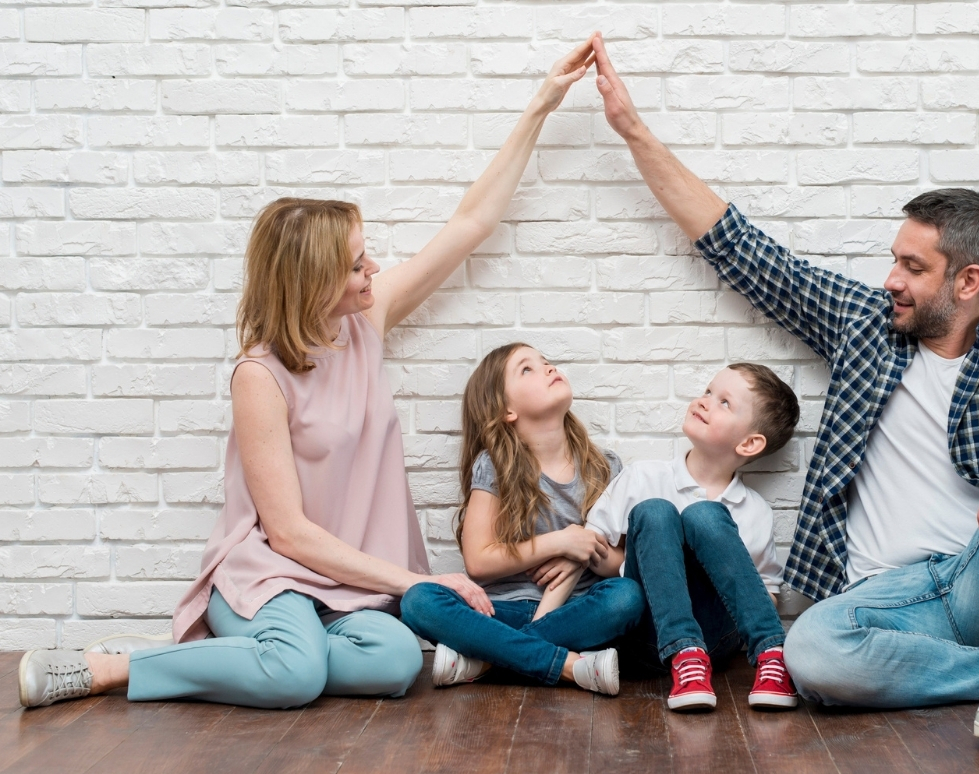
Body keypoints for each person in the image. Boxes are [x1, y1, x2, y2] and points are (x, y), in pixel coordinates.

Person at [590, 34, 979, 747]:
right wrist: (633, 131)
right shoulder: (865, 325)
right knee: (810, 655)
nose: (891, 279)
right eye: (894, 260)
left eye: (912, 267)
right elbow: (743, 249)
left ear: (967, 282)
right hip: (882, 602)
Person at [16, 38, 599, 710]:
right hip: (275, 576)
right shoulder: (259, 376)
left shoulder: (366, 322)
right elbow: (287, 532)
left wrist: (540, 107)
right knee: (296, 676)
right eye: (356, 264)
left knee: (393, 662)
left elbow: (470, 222)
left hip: (353, 582)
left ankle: (272, 658)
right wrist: (413, 583)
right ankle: (121, 667)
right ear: (312, 280)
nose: (373, 270)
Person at [399, 343, 645, 696]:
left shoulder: (606, 467)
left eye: (546, 362)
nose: (548, 368)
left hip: (576, 613)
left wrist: (589, 548)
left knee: (626, 596)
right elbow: (479, 562)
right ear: (506, 410)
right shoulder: (494, 466)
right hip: (503, 611)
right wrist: (560, 540)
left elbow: (622, 565)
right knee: (418, 599)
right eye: (527, 369)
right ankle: (569, 666)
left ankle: (487, 661)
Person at [586, 364, 801, 712]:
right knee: (655, 511)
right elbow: (593, 548)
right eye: (707, 392)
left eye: (724, 403)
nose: (705, 402)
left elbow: (769, 594)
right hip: (647, 635)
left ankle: (771, 656)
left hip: (716, 638)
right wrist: (651, 563)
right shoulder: (644, 477)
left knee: (705, 515)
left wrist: (725, 576)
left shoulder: (754, 511)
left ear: (749, 443)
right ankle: (685, 653)